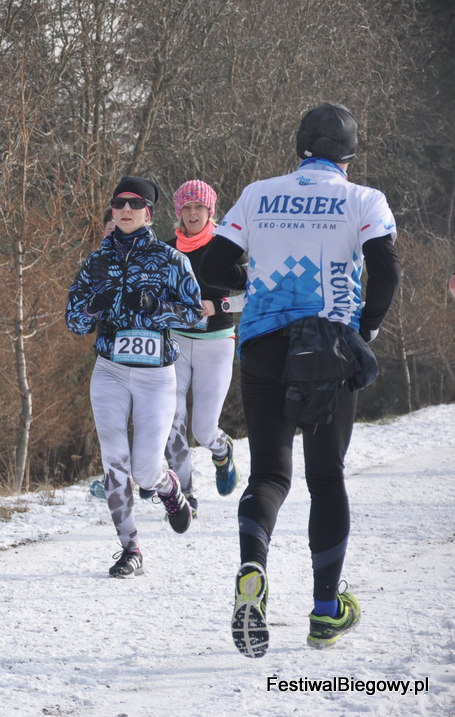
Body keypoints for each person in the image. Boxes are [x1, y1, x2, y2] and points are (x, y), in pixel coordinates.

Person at [200, 103, 400, 658]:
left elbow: (212, 267)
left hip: (262, 342)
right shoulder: (364, 199)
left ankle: (252, 571)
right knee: (326, 478)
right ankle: (325, 612)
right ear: (349, 155)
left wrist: (255, 280)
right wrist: (366, 328)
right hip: (329, 348)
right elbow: (386, 271)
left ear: (299, 148)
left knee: (269, 473)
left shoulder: (258, 194)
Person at [66, 176, 203, 578]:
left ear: (149, 213)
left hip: (156, 373)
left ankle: (169, 488)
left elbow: (195, 314)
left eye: (135, 203)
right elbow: (74, 321)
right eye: (119, 203)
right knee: (114, 460)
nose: (126, 209)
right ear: (112, 210)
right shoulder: (97, 262)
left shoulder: (170, 259)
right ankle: (131, 549)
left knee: (144, 469)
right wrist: (94, 305)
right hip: (109, 369)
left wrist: (157, 307)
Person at [162, 180, 243, 517]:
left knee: (203, 428)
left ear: (211, 211)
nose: (193, 213)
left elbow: (254, 293)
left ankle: (222, 451)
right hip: (176, 341)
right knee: (172, 418)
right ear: (179, 211)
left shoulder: (228, 247)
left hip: (217, 342)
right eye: (187, 207)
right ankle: (184, 494)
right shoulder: (167, 250)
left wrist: (218, 306)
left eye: (199, 207)